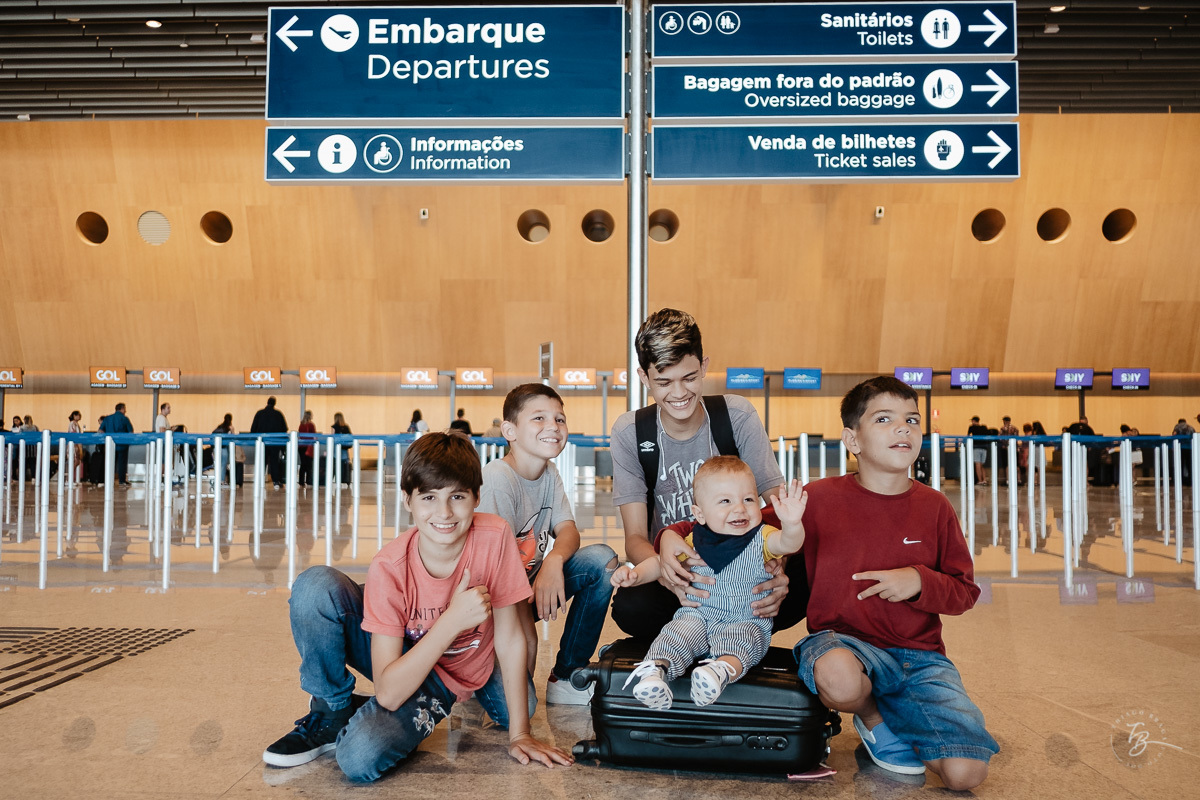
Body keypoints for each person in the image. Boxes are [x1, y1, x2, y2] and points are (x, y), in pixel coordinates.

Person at [261, 432, 572, 780]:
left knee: (523, 706)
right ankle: (333, 710)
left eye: (457, 496)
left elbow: (511, 638)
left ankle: (371, 709)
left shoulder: (495, 536)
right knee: (359, 756)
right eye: (429, 497)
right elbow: (391, 693)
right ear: (408, 500)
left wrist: (521, 734)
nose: (444, 512)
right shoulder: (388, 567)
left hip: (464, 668)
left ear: (477, 497)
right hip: (408, 659)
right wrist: (451, 622)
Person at [793, 376, 997, 789]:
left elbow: (964, 591)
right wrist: (674, 536)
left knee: (965, 775)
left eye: (912, 420)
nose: (903, 428)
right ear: (853, 440)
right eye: (884, 419)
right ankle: (874, 719)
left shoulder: (935, 507)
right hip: (844, 643)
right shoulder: (819, 499)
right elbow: (746, 527)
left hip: (919, 658)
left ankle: (904, 713)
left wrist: (919, 582)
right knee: (839, 677)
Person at [610, 309, 801, 640]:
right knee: (631, 605)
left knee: (806, 579)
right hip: (687, 578)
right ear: (644, 378)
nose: (679, 393)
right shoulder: (632, 432)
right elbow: (635, 538)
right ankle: (704, 637)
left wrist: (777, 569)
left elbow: (778, 508)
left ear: (704, 366)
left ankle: (730, 633)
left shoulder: (736, 416)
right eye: (664, 382)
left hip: (745, 572)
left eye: (689, 378)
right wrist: (665, 570)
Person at [615, 457, 807, 709]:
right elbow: (661, 563)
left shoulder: (762, 538)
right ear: (700, 514)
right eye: (725, 501)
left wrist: (792, 523)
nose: (739, 508)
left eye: (748, 499)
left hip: (745, 618)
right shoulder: (695, 539)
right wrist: (635, 574)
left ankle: (719, 672)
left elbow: (789, 544)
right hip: (698, 615)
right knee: (675, 635)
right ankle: (655, 673)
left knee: (744, 641)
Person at [477, 384, 617, 706]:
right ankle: (481, 676)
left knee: (602, 562)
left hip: (530, 588)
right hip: (492, 603)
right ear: (509, 430)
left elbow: (567, 529)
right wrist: (525, 639)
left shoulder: (548, 472)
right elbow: (498, 574)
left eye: (559, 419)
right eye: (539, 418)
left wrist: (553, 561)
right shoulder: (498, 478)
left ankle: (566, 676)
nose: (553, 426)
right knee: (521, 703)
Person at [251, 396, 289, 489]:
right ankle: (275, 482)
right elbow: (284, 429)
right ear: (274, 403)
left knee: (262, 461)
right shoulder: (278, 414)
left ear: (267, 402)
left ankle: (259, 481)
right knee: (274, 462)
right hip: (274, 442)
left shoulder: (259, 413)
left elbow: (253, 429)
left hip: (262, 442)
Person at [98, 404, 133, 485]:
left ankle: (108, 480)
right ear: (122, 409)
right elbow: (130, 431)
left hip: (110, 445)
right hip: (122, 445)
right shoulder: (124, 419)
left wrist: (107, 438)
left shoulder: (107, 418)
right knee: (122, 463)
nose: (125, 411)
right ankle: (122, 481)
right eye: (125, 409)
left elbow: (100, 430)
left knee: (110, 462)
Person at [966, 415, 989, 485]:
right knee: (982, 465)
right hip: (984, 447)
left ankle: (980, 480)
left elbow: (968, 436)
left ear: (973, 421)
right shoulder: (984, 427)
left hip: (976, 447)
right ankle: (984, 479)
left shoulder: (971, 427)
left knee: (977, 465)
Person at [298, 410, 317, 487]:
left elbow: (300, 435)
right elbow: (314, 436)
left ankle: (301, 481)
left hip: (301, 446)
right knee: (309, 465)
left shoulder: (301, 424)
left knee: (303, 464)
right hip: (308, 446)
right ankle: (309, 481)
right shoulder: (311, 425)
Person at [332, 412, 352, 485]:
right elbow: (350, 437)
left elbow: (332, 439)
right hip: (345, 450)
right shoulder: (346, 427)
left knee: (336, 465)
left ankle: (338, 480)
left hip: (336, 450)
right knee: (344, 465)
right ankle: (344, 480)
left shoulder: (334, 427)